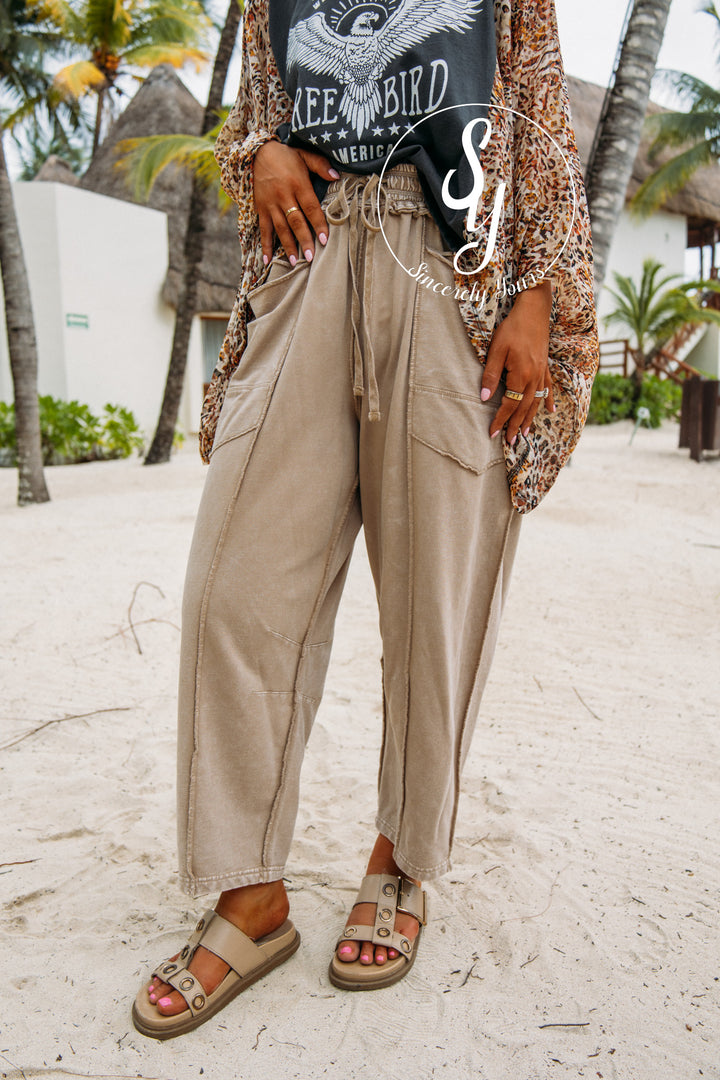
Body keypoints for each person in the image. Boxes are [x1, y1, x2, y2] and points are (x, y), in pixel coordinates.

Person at [131, 0, 598, 1040]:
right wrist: (255, 153)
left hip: (455, 273)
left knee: (433, 601)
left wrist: (537, 291)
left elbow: (537, 108)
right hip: (307, 257)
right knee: (231, 591)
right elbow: (259, 102)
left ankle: (400, 860)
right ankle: (250, 894)